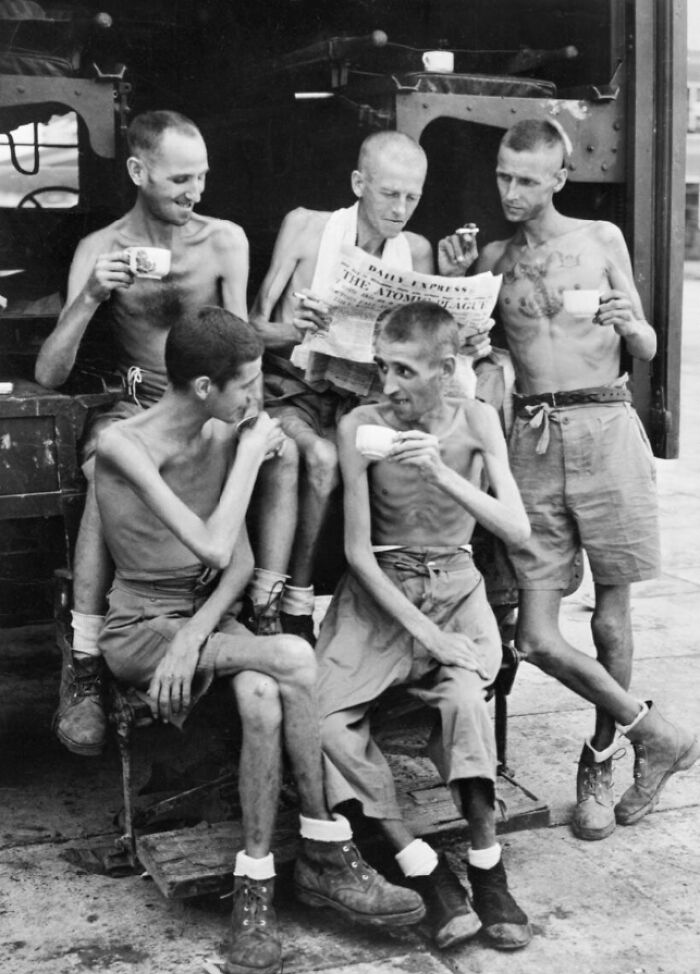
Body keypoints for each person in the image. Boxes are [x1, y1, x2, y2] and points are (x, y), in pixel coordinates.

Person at [94, 305, 426, 974]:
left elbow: (238, 564)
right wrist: (251, 453)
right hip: (138, 628)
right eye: (248, 384)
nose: (260, 397)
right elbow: (210, 543)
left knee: (263, 697)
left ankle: (259, 888)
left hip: (202, 621)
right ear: (204, 387)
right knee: (295, 657)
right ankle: (325, 845)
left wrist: (194, 636)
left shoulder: (221, 432)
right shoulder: (125, 444)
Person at [441, 118, 699, 841]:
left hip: (607, 425)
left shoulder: (601, 240)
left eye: (528, 178)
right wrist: (458, 273)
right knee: (536, 634)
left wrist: (631, 322)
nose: (513, 191)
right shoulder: (493, 256)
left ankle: (603, 756)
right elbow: (466, 345)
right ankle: (658, 732)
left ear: (560, 176)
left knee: (612, 619)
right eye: (503, 175)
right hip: (533, 435)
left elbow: (646, 343)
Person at [34, 109, 269, 756]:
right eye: (180, 179)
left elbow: (243, 347)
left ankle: (265, 605)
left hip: (210, 403)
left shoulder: (225, 240)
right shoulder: (101, 248)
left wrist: (253, 415)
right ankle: (85, 656)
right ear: (139, 172)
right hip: (134, 403)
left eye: (202, 177)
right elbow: (49, 374)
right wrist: (89, 297)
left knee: (280, 456)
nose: (195, 193)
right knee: (99, 470)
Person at [316, 301, 532, 951]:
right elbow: (357, 551)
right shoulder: (360, 424)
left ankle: (488, 866)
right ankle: (421, 864)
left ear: (447, 369)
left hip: (456, 583)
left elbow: (516, 528)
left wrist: (440, 470)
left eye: (406, 371)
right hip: (380, 590)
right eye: (382, 366)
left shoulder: (479, 421)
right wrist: (426, 635)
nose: (389, 385)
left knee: (465, 697)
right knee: (322, 720)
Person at [248, 131, 470, 643]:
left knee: (431, 453)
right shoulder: (306, 229)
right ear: (358, 183)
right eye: (389, 193)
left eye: (412, 197)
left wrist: (459, 289)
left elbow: (425, 344)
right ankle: (291, 602)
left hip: (364, 399)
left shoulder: (413, 250)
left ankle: (414, 596)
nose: (400, 208)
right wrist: (295, 329)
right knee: (323, 459)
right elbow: (253, 328)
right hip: (293, 392)